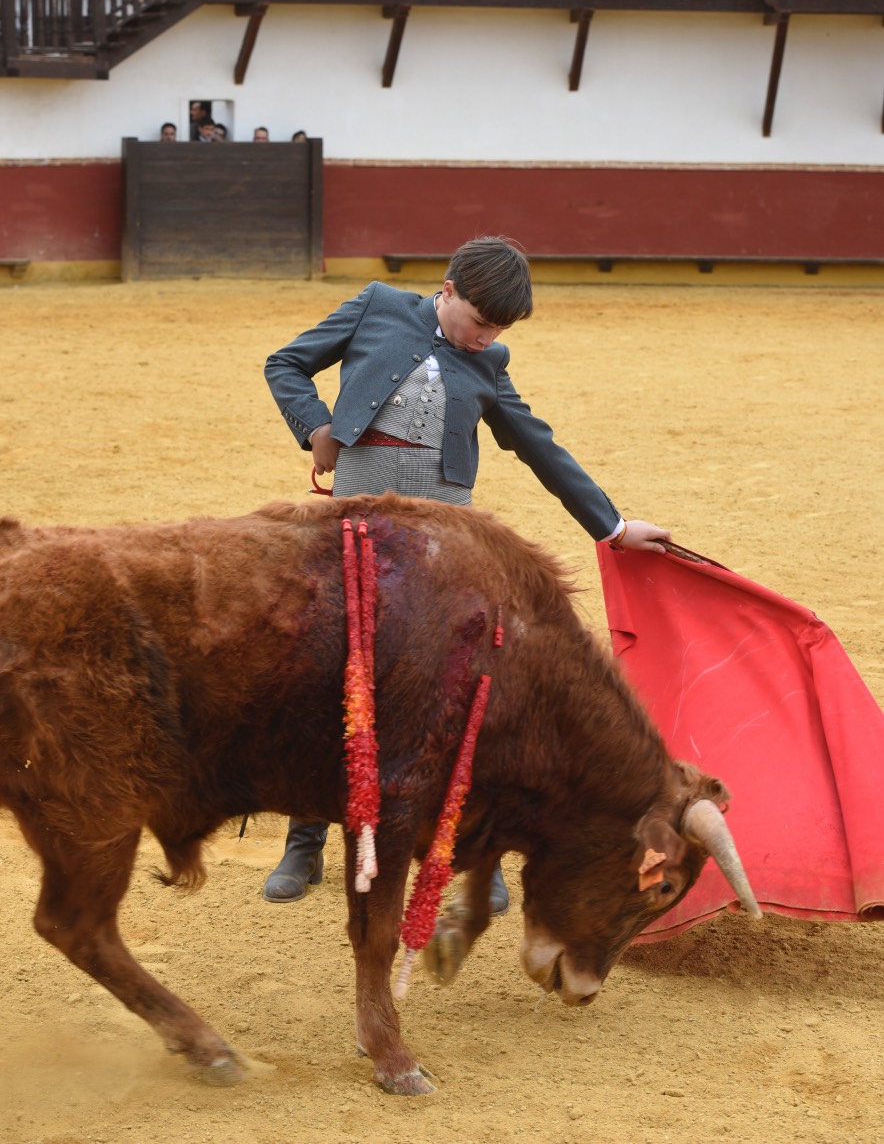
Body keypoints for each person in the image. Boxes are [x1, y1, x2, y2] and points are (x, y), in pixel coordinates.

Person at [262, 236, 671, 916]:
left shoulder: (490, 362)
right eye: (480, 322)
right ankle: (304, 841)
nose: (486, 339)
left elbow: (539, 445)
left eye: (499, 331)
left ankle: (481, 849)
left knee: (464, 695)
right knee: (334, 679)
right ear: (447, 290)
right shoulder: (376, 306)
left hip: (444, 559)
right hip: (357, 538)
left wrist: (613, 525)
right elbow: (286, 363)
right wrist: (315, 428)